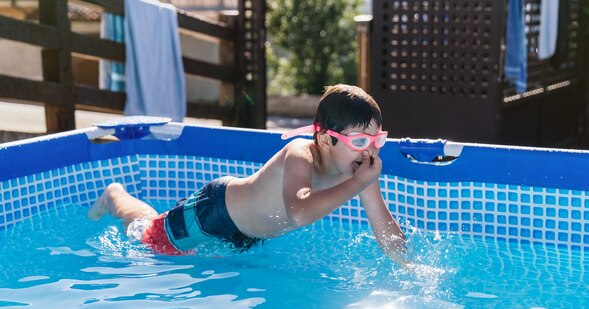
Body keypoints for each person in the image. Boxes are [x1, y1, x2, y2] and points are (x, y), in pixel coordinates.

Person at [89, 84, 406, 260]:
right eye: (361, 140)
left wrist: (410, 267)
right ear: (325, 138)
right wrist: (359, 183)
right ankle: (116, 196)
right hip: (213, 212)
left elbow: (386, 231)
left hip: (246, 235)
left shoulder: (358, 168)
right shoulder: (300, 153)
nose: (371, 149)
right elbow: (298, 210)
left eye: (378, 139)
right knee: (148, 241)